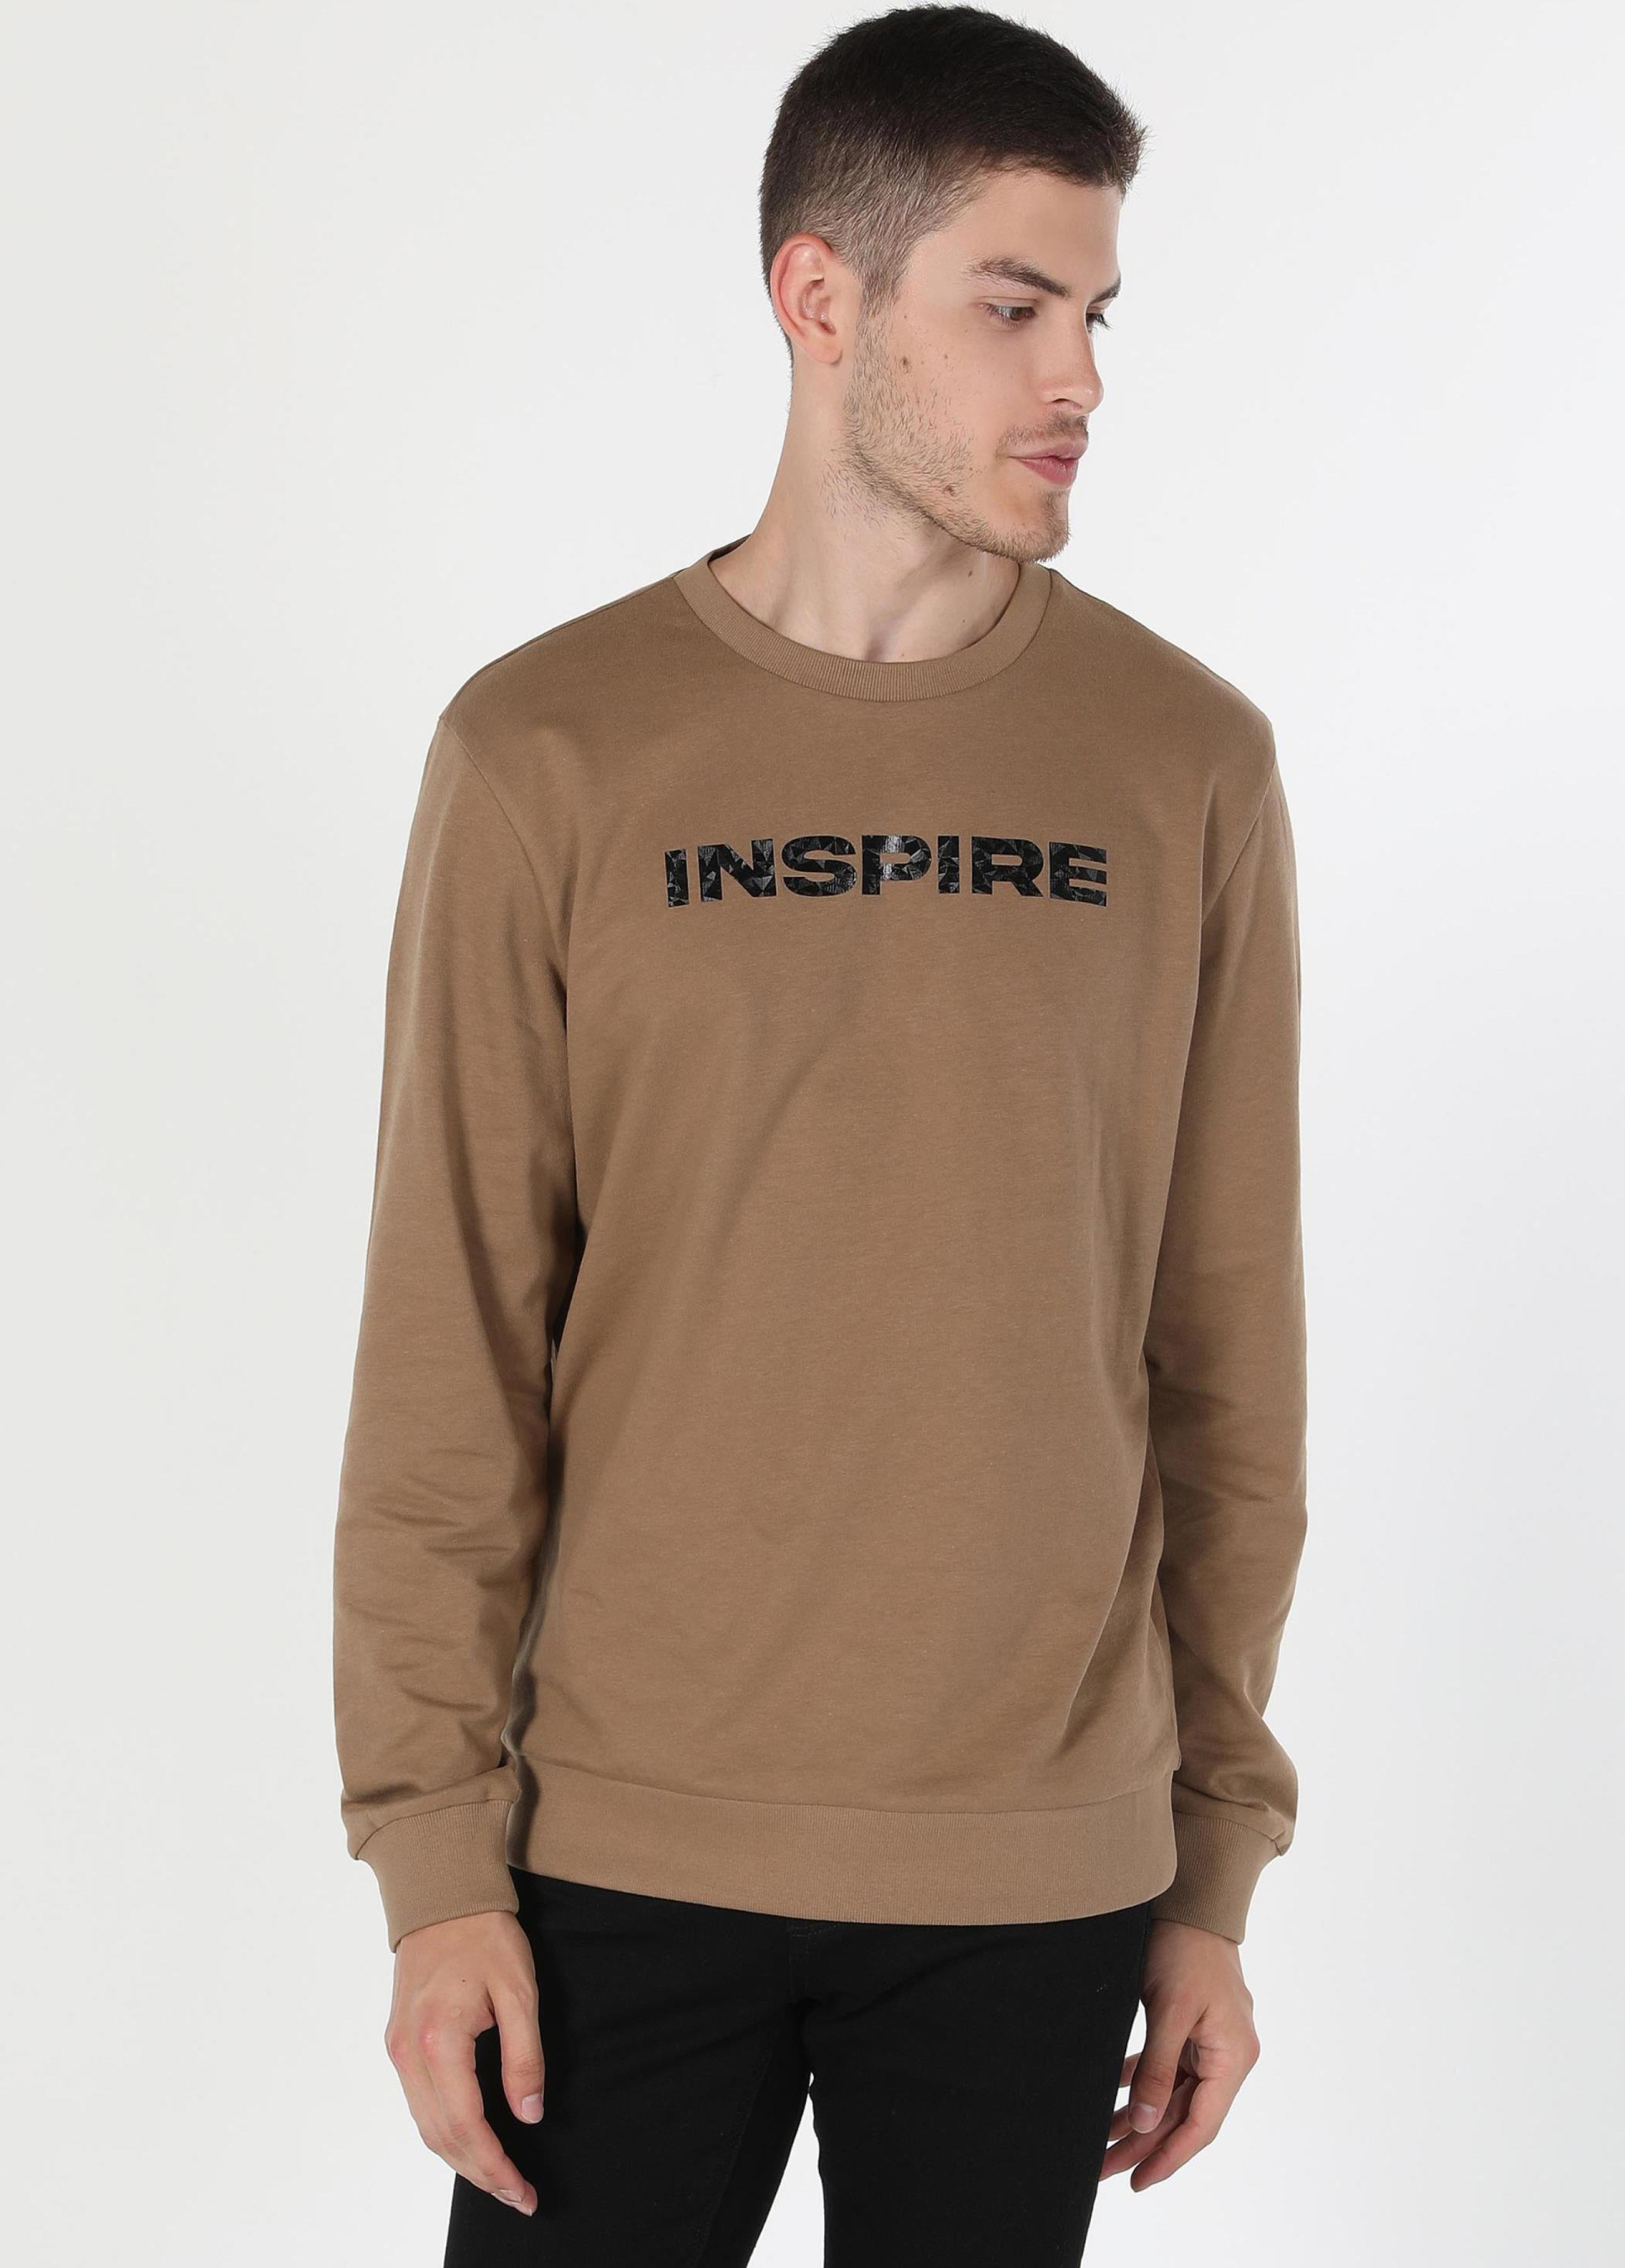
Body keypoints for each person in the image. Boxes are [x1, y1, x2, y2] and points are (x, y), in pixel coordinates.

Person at [331, 7, 1308, 2260]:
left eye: (1096, 315)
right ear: (820, 297)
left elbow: (1226, 1352)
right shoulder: (549, 750)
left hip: (1037, 1872)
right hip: (614, 1857)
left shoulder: (1182, 762)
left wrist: (1212, 1867)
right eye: (1013, 306)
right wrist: (435, 1863)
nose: (1077, 379)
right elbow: (449, 1343)